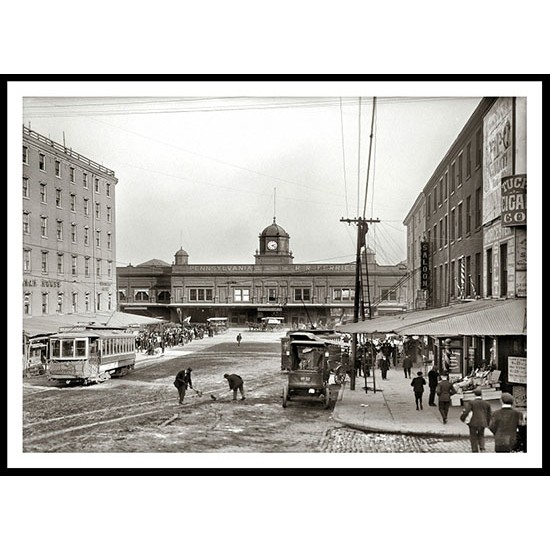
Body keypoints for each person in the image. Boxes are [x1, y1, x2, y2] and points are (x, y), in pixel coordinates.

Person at [460, 388, 492, 452]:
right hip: (483, 422)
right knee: (481, 435)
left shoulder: (471, 403)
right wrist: (487, 423)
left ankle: (475, 450)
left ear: (474, 394)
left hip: (473, 422)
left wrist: (462, 418)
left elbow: (466, 412)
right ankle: (482, 447)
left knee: (473, 436)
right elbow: (489, 414)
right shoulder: (486, 403)